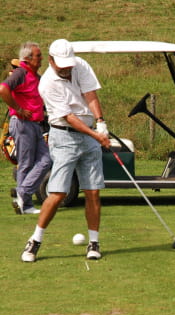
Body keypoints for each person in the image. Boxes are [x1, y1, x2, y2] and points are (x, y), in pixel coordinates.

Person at [21, 39, 111, 263]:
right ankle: (35, 241)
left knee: (92, 191)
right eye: (62, 64)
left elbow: (90, 94)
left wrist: (100, 123)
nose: (66, 68)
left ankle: (94, 242)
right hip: (64, 137)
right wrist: (96, 136)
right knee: (58, 193)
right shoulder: (47, 84)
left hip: (89, 133)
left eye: (68, 63)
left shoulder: (80, 65)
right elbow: (69, 118)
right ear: (51, 61)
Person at [0, 42, 52, 214]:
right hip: (23, 123)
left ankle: (23, 198)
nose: (41, 58)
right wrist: (19, 109)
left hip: (35, 124)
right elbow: (3, 89)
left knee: (46, 160)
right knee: (26, 163)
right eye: (38, 56)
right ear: (28, 59)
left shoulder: (35, 76)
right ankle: (25, 202)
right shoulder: (21, 73)